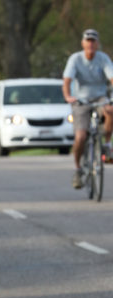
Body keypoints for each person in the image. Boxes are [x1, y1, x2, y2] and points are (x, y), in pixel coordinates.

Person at [62, 29, 113, 189]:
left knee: (110, 109)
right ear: (83, 43)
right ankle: (78, 169)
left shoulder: (103, 58)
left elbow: (111, 77)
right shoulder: (75, 59)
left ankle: (107, 144)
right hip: (80, 99)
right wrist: (68, 96)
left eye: (93, 41)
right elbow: (67, 81)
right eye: (88, 41)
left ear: (97, 44)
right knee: (81, 137)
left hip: (99, 97)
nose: (90, 44)